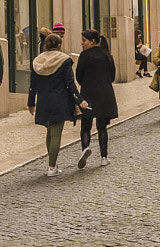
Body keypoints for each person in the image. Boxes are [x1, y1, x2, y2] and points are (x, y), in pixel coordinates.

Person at [28, 32, 87, 176]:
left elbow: (32, 85)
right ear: (59, 45)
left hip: (43, 101)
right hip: (58, 100)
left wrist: (31, 102)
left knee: (49, 132)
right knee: (55, 135)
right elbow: (70, 84)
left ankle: (52, 164)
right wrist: (80, 100)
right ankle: (51, 167)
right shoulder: (64, 60)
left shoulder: (37, 61)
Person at [75, 30, 119, 167]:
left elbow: (79, 76)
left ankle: (85, 149)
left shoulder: (84, 55)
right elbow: (112, 76)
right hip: (105, 93)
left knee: (86, 126)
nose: (82, 43)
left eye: (84, 40)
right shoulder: (106, 54)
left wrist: (87, 83)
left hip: (88, 93)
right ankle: (104, 157)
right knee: (102, 127)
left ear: (92, 41)